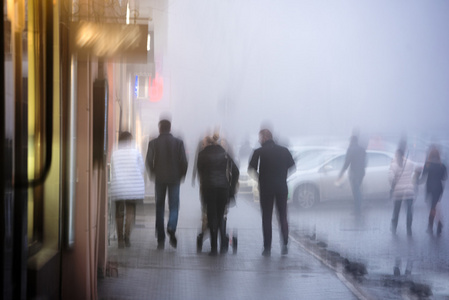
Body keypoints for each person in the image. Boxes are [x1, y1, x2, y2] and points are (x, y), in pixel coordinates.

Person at [248, 129, 295, 257]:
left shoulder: (259, 151)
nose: (259, 140)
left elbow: (251, 168)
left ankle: (267, 247)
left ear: (265, 137)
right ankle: (285, 244)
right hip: (281, 187)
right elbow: (292, 166)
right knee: (283, 216)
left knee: (267, 217)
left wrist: (260, 178)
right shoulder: (284, 150)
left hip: (266, 188)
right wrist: (282, 175)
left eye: (260, 137)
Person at [146, 119, 188, 249]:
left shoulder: (153, 143)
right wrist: (181, 175)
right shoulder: (179, 143)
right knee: (174, 206)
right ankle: (171, 226)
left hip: (160, 178)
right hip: (174, 179)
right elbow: (184, 161)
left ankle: (160, 238)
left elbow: (148, 160)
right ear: (170, 128)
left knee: (159, 207)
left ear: (160, 128)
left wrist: (153, 173)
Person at [197, 136, 239, 256]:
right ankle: (223, 246)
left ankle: (214, 248)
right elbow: (235, 171)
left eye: (203, 143)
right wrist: (231, 187)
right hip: (223, 189)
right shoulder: (224, 153)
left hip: (209, 189)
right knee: (220, 216)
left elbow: (200, 172)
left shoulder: (202, 155)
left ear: (208, 144)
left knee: (211, 217)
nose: (202, 145)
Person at [109, 131, 145, 249]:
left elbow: (112, 169)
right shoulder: (136, 152)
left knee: (119, 213)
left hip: (119, 187)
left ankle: (119, 240)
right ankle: (127, 237)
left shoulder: (115, 153)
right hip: (132, 188)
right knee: (130, 212)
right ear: (130, 140)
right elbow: (142, 169)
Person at [389, 147, 418, 236]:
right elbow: (416, 170)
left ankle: (394, 228)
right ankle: (409, 228)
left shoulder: (393, 164)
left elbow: (390, 178)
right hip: (409, 190)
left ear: (396, 155)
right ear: (403, 155)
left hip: (398, 191)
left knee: (396, 210)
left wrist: (392, 186)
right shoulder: (409, 163)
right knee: (409, 210)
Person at [337, 135, 366, 216]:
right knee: (357, 190)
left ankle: (358, 210)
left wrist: (341, 173)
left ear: (352, 141)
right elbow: (364, 161)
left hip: (354, 173)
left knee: (356, 191)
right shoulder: (362, 149)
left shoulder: (350, 149)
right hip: (361, 173)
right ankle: (358, 208)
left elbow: (347, 162)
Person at [420, 147, 447, 235]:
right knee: (435, 206)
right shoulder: (442, 165)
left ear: (430, 155)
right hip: (438, 188)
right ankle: (437, 225)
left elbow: (423, 176)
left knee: (432, 207)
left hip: (430, 187)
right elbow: (444, 177)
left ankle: (431, 226)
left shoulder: (428, 164)